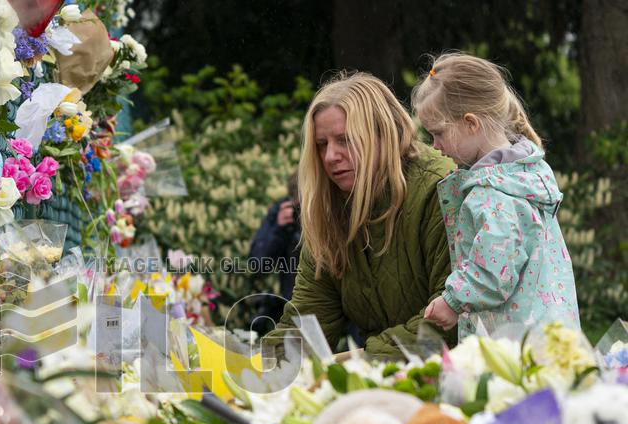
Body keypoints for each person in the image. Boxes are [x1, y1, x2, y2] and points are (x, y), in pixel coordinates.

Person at [268, 72, 456, 358]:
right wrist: (247, 373)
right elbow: (309, 322)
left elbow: (450, 318)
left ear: (384, 134)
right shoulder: (330, 210)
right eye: (322, 144)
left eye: (345, 140)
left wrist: (359, 362)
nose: (331, 156)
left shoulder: (441, 189)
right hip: (384, 382)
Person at [412, 53, 580, 338]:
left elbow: (493, 272)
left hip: (518, 344)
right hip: (549, 332)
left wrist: (452, 301)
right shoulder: (525, 175)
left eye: (438, 134)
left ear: (471, 123)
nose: (435, 146)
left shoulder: (494, 194)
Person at [248, 171, 301, 336]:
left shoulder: (335, 211)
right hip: (295, 308)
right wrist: (279, 230)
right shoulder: (283, 212)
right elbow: (257, 265)